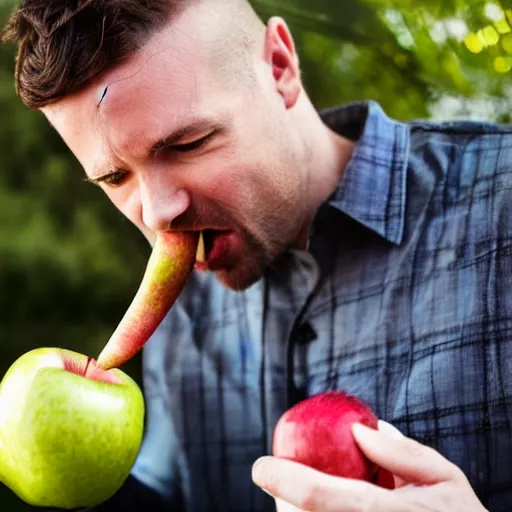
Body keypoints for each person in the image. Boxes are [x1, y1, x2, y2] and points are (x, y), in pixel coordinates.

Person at [2, 0, 510, 510]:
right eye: (115, 177)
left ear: (280, 67)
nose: (157, 214)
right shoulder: (181, 312)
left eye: (189, 143)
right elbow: (169, 488)